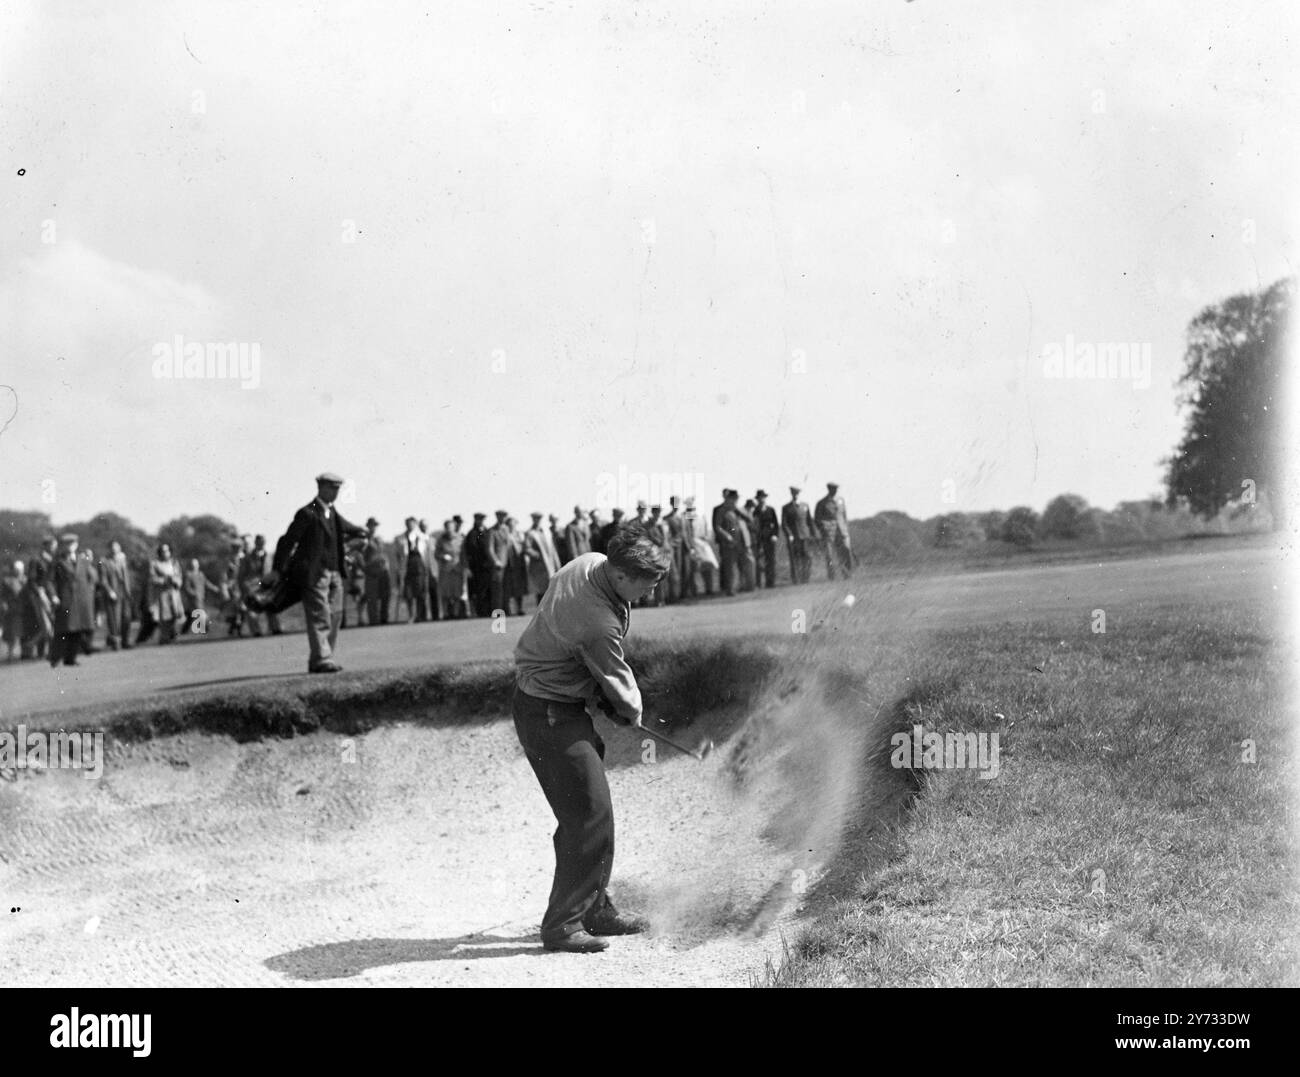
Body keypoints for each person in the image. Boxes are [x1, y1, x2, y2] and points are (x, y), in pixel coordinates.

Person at [512, 526, 670, 952]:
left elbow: (589, 663)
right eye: (648, 584)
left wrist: (603, 696)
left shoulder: (588, 563)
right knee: (589, 814)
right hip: (548, 713)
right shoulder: (596, 621)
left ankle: (594, 908)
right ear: (621, 576)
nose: (651, 593)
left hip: (554, 705)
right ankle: (563, 926)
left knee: (586, 811)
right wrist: (631, 713)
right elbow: (618, 684)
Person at [268, 472, 367, 673]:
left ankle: (322, 658)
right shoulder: (307, 512)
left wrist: (360, 535)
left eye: (338, 489)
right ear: (321, 488)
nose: (335, 492)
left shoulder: (333, 513)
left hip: (335, 573)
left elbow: (352, 529)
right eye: (332, 488)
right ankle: (323, 659)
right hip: (314, 575)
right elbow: (286, 542)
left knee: (335, 615)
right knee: (320, 616)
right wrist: (278, 570)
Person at [49, 534, 98, 667]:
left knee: (78, 630)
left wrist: (89, 591)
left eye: (73, 544)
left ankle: (70, 658)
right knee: (63, 630)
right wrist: (53, 595)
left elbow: (92, 577)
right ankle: (54, 658)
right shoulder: (57, 562)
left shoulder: (83, 561)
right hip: (66, 598)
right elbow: (50, 581)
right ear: (63, 546)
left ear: (76, 545)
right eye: (67, 544)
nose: (70, 547)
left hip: (81, 599)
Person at [147, 542, 186, 645]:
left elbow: (179, 576)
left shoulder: (174, 563)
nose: (165, 553)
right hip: (162, 594)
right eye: (163, 551)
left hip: (174, 592)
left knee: (175, 614)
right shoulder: (154, 564)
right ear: (160, 552)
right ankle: (164, 637)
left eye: (167, 550)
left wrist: (177, 581)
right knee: (164, 617)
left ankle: (171, 634)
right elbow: (152, 578)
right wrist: (164, 580)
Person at [98, 540, 134, 649]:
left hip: (124, 592)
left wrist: (129, 592)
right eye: (112, 546)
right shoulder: (103, 561)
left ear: (119, 547)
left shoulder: (123, 559)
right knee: (114, 619)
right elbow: (103, 580)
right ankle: (115, 642)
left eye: (116, 546)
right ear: (109, 548)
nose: (114, 548)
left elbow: (127, 577)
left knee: (126, 617)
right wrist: (109, 591)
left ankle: (125, 641)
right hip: (113, 593)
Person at [815, 482, 853, 579]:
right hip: (829, 532)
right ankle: (832, 576)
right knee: (830, 555)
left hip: (842, 531)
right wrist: (825, 528)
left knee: (846, 551)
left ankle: (847, 574)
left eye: (836, 489)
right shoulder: (822, 503)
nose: (835, 491)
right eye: (833, 489)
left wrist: (846, 529)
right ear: (829, 489)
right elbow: (817, 519)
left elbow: (844, 516)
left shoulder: (841, 500)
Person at [781, 485, 817, 585]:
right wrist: (789, 535)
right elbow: (784, 524)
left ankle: (806, 578)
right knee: (795, 559)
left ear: (799, 494)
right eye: (794, 493)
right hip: (794, 538)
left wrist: (813, 535)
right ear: (791, 494)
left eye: (797, 493)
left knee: (807, 558)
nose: (795, 495)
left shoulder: (805, 506)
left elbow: (810, 521)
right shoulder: (786, 508)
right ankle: (796, 580)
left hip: (805, 537)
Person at [396, 517, 430, 622]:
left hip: (419, 565)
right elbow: (398, 555)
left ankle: (421, 615)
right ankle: (411, 615)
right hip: (407, 566)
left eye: (412, 524)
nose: (410, 526)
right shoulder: (400, 538)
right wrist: (399, 568)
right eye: (408, 524)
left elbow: (427, 553)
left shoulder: (422, 537)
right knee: (408, 593)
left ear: (415, 524)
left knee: (420, 592)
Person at [525, 511, 561, 605]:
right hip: (539, 565)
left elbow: (553, 548)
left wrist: (557, 563)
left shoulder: (546, 532)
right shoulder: (530, 533)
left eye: (539, 519)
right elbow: (526, 548)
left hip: (550, 564)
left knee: (550, 587)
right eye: (536, 519)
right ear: (533, 519)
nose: (537, 521)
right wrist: (536, 555)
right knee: (540, 589)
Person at [359, 518, 391, 626]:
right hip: (370, 571)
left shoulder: (379, 539)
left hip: (382, 570)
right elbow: (359, 556)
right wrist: (365, 568)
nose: (373, 528)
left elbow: (383, 554)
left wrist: (386, 566)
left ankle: (384, 618)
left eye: (375, 526)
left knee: (385, 596)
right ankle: (374, 620)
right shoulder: (364, 539)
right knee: (371, 598)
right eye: (371, 526)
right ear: (368, 526)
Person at [434, 517, 467, 619]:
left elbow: (464, 554)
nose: (449, 529)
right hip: (445, 569)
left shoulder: (460, 538)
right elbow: (436, 554)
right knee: (445, 593)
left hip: (457, 568)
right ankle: (445, 613)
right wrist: (443, 556)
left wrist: (465, 566)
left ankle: (456, 613)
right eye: (447, 527)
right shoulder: (441, 539)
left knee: (457, 593)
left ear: (454, 527)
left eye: (451, 527)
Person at [463, 512, 493, 617]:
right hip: (477, 566)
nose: (481, 521)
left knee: (487, 590)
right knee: (479, 591)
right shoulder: (473, 533)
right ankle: (481, 611)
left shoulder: (485, 531)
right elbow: (471, 549)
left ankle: (488, 610)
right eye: (479, 519)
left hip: (487, 566)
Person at [182, 558, 222, 633]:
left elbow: (206, 583)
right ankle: (204, 629)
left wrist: (215, 588)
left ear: (198, 565)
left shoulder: (200, 574)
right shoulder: (188, 575)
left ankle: (184, 630)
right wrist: (193, 593)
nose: (194, 566)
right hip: (194, 599)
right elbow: (186, 587)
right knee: (200, 612)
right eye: (193, 565)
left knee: (192, 614)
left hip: (201, 597)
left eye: (196, 564)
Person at [751, 490, 780, 589]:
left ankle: (770, 582)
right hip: (759, 538)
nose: (761, 499)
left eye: (763, 497)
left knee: (770, 560)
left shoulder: (771, 510)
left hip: (770, 538)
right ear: (757, 499)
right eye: (759, 498)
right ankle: (758, 583)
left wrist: (775, 535)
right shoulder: (754, 511)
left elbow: (776, 524)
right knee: (758, 561)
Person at [2, 560, 26, 660]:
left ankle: (19, 651)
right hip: (11, 610)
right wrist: (4, 603)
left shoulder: (25, 580)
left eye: (20, 569)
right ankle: (10, 652)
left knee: (20, 631)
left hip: (21, 610)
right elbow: (2, 595)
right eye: (16, 569)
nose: (18, 571)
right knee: (10, 632)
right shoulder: (7, 581)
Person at [505, 515, 529, 616]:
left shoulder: (520, 534)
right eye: (510, 524)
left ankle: (520, 608)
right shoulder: (506, 535)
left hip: (520, 564)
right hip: (509, 564)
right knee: (510, 588)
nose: (512, 526)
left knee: (520, 588)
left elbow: (524, 546)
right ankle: (511, 609)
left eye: (513, 524)